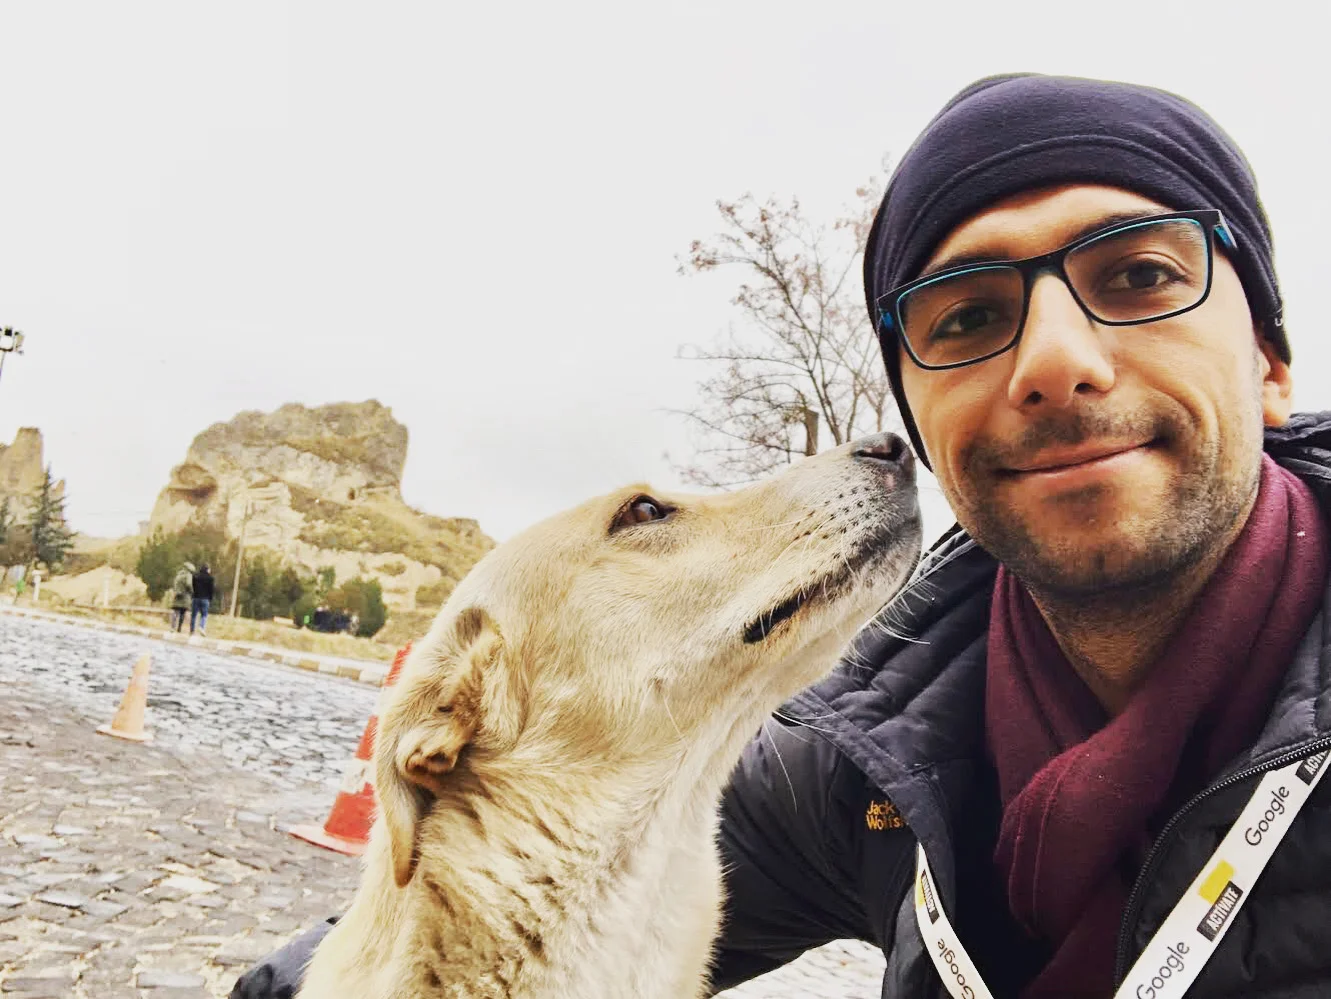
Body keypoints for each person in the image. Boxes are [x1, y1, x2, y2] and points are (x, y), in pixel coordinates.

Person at [232, 74, 1331, 999]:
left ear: (1269, 363)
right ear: (925, 420)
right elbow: (543, 901)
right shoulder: (860, 753)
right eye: (968, 316)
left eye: (1138, 275)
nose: (1052, 360)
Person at [169, 561, 194, 633]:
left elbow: (174, 584)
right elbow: (188, 584)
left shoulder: (178, 575)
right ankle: (179, 628)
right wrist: (192, 591)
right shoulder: (188, 575)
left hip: (177, 595)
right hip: (185, 596)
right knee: (182, 612)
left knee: (175, 612)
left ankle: (172, 627)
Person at [191, 562, 214, 635]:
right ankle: (201, 627)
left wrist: (193, 595)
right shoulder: (210, 578)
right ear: (207, 570)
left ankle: (192, 630)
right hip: (205, 599)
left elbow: (193, 587)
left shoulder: (195, 577)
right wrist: (210, 598)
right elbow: (211, 590)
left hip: (196, 598)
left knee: (194, 615)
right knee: (204, 615)